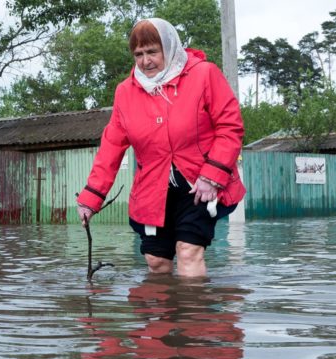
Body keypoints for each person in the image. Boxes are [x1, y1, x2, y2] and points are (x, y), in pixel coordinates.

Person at [76, 18, 246, 277]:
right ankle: (162, 316)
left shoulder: (204, 74)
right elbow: (111, 146)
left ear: (169, 47)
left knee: (188, 251)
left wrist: (212, 177)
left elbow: (230, 126)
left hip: (198, 185)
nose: (145, 61)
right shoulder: (125, 92)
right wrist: (91, 198)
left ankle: (193, 314)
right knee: (156, 261)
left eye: (152, 52)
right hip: (152, 188)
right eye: (139, 54)